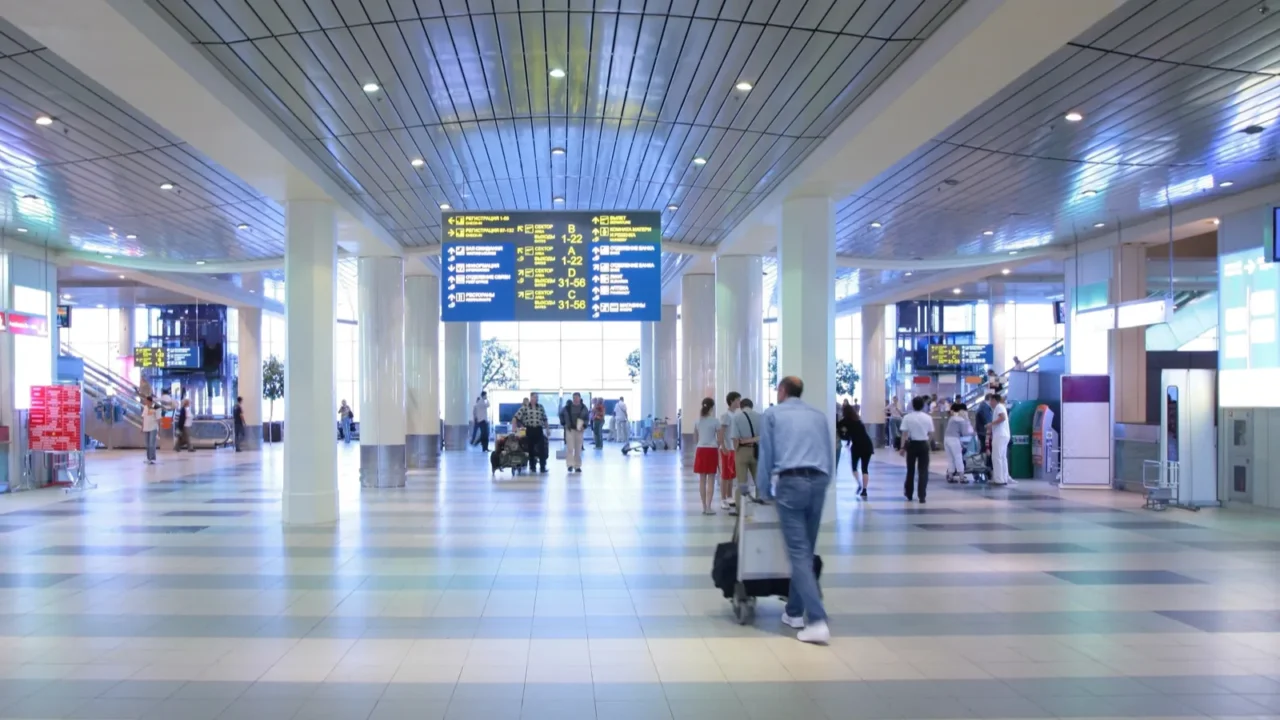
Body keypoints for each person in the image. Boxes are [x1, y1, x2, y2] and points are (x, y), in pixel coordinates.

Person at [758, 376, 834, 644]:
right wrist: (826, 482)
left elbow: (766, 455)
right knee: (806, 550)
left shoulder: (772, 414)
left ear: (782, 390)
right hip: (819, 480)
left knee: (799, 553)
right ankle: (794, 612)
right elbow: (830, 450)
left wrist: (763, 491)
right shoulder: (818, 415)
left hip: (791, 483)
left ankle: (817, 619)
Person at [729, 398, 762, 509]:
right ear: (751, 406)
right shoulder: (760, 416)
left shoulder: (736, 417)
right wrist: (753, 439)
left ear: (742, 406)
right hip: (757, 451)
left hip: (741, 451)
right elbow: (763, 436)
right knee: (759, 481)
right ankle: (760, 505)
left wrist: (737, 450)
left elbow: (735, 438)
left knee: (741, 482)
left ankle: (740, 508)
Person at [899, 396, 933, 503]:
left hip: (912, 444)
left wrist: (902, 448)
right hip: (923, 444)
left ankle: (909, 493)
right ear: (923, 405)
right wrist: (928, 442)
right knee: (923, 470)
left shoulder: (907, 417)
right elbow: (931, 433)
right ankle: (922, 495)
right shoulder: (928, 418)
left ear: (912, 405)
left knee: (910, 470)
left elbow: (904, 434)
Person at [692, 398, 720, 515]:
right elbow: (720, 438)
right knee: (711, 480)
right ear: (712, 407)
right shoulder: (715, 421)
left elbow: (694, 439)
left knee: (702, 480)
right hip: (712, 450)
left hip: (700, 450)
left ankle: (703, 506)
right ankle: (709, 506)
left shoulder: (697, 421)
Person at [717, 392, 741, 511]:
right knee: (725, 475)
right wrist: (723, 446)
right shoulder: (726, 415)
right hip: (726, 448)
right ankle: (723, 499)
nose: (739, 402)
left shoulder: (734, 415)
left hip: (733, 448)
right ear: (731, 401)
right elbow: (721, 432)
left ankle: (730, 496)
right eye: (737, 400)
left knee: (731, 475)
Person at [844, 404, 873, 499]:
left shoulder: (847, 423)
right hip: (867, 445)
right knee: (865, 469)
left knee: (854, 468)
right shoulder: (858, 421)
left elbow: (846, 436)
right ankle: (864, 490)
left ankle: (859, 484)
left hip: (857, 446)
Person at [515, 392, 549, 473]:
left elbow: (545, 419)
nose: (536, 399)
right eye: (534, 397)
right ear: (531, 398)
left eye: (537, 397)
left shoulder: (541, 407)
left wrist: (547, 429)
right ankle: (532, 466)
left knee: (542, 448)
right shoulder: (525, 407)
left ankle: (542, 467)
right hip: (529, 430)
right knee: (531, 449)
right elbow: (516, 417)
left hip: (539, 429)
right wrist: (515, 427)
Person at [560, 392, 589, 473]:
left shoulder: (583, 408)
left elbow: (587, 417)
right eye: (574, 398)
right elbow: (561, 414)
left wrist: (584, 425)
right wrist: (564, 423)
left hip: (579, 430)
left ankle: (577, 466)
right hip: (570, 429)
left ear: (579, 398)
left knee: (578, 448)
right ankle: (569, 465)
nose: (575, 399)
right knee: (570, 448)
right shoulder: (567, 407)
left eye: (577, 397)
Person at [989, 394, 1014, 486]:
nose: (990, 403)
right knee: (1002, 457)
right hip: (1004, 435)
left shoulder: (999, 407)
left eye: (991, 400)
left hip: (999, 435)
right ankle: (1004, 477)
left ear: (995, 400)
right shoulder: (1001, 407)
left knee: (997, 457)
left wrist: (991, 424)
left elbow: (1002, 417)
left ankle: (999, 479)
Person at [944, 402, 974, 483]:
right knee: (958, 458)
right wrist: (972, 431)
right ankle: (961, 477)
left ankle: (950, 476)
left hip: (946, 439)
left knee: (951, 459)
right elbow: (965, 433)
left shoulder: (952, 418)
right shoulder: (961, 420)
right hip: (954, 440)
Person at [141, 395, 159, 464]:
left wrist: (159, 429)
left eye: (146, 400)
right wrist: (142, 427)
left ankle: (152, 458)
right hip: (146, 428)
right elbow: (143, 417)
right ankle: (148, 458)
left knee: (152, 443)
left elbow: (158, 418)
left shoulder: (155, 407)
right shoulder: (145, 407)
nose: (145, 401)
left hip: (153, 427)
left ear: (149, 401)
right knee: (147, 444)